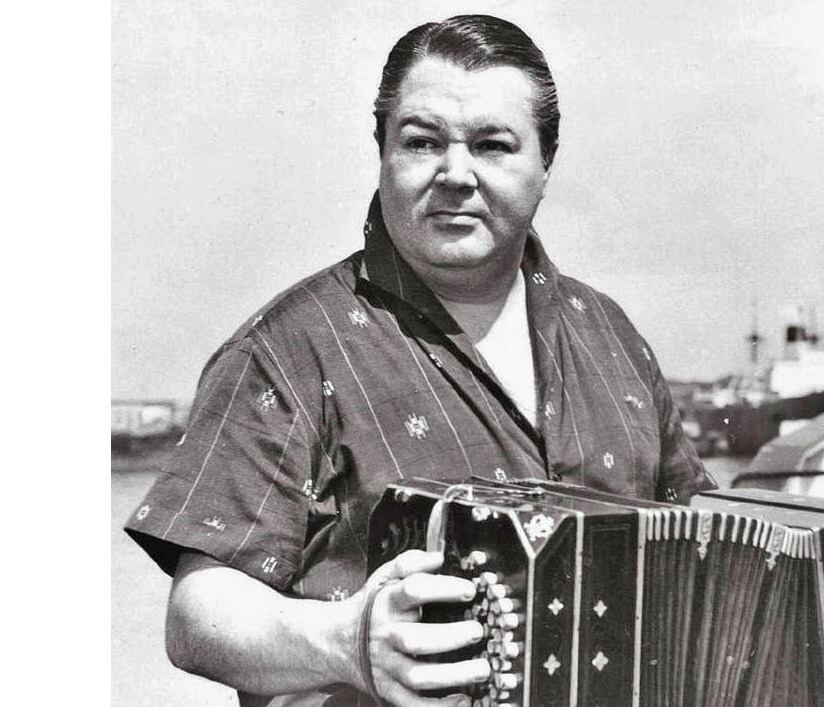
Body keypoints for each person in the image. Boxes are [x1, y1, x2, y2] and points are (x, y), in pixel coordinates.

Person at [125, 14, 715, 707]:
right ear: (383, 154)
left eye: (493, 145)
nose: (455, 174)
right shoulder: (287, 346)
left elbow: (702, 539)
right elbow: (196, 616)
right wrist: (345, 640)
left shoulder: (611, 335)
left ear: (545, 166)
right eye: (422, 141)